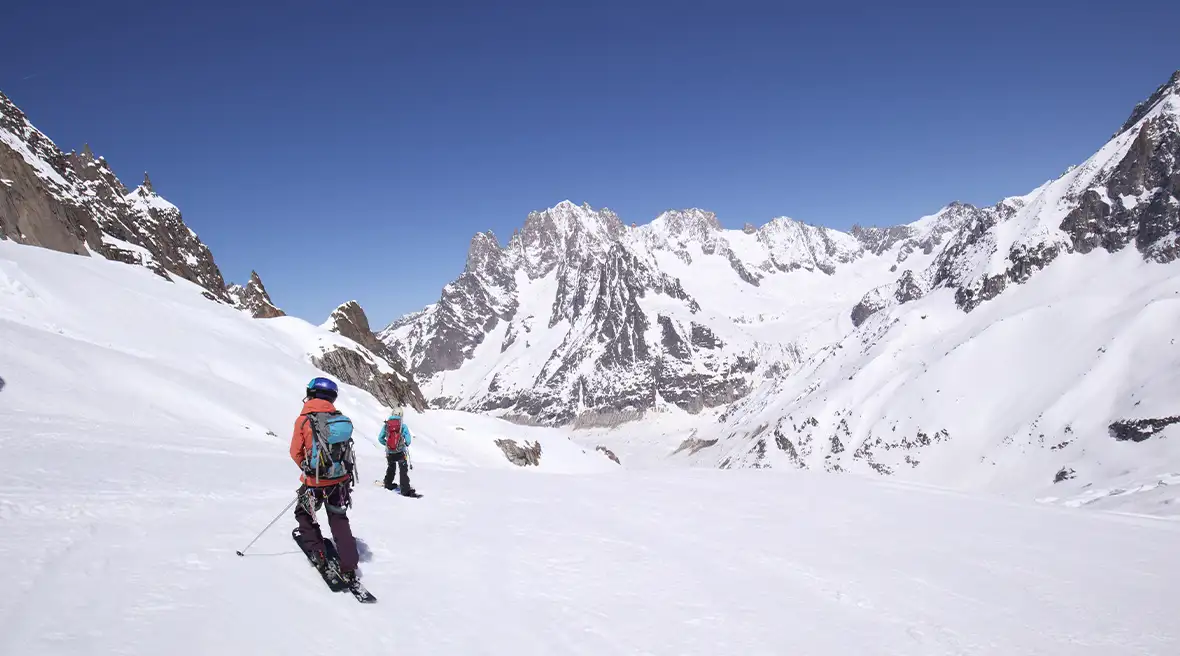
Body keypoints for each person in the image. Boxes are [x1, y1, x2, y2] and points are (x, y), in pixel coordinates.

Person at [289, 376, 360, 584]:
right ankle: (349, 563)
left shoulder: (304, 420)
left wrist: (309, 469)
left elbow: (295, 452)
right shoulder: (340, 419)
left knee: (304, 513)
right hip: (340, 481)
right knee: (338, 518)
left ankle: (318, 554)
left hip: (315, 483)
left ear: (311, 394)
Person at [378, 405, 417, 495]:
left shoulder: (386, 425)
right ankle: (405, 489)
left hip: (389, 453)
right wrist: (403, 445)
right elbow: (408, 440)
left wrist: (387, 444)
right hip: (400, 452)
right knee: (403, 470)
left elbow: (380, 438)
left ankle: (388, 483)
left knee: (391, 468)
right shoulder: (402, 426)